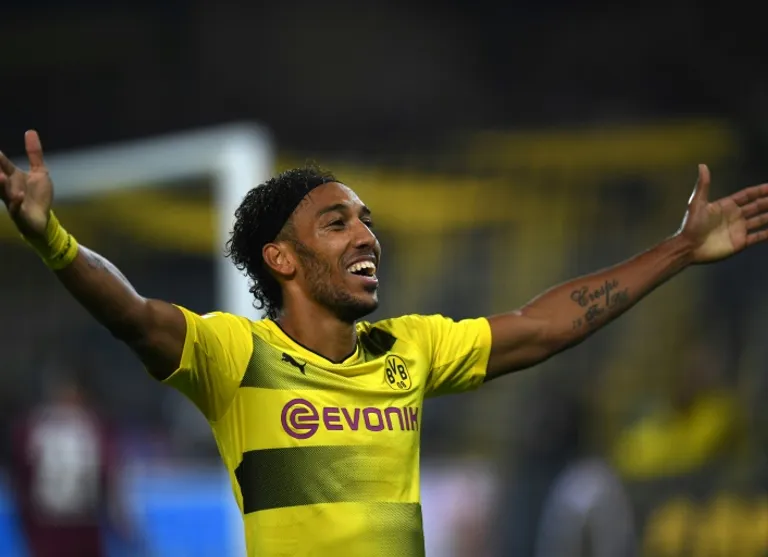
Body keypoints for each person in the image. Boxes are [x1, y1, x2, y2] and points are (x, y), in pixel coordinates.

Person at [1, 129, 766, 556]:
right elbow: (134, 314)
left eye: (367, 220)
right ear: (281, 258)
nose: (366, 235)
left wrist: (678, 250)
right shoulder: (234, 356)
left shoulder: (411, 348)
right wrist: (51, 239)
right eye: (337, 223)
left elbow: (544, 324)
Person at [9, 374, 123, 557]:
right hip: (61, 523)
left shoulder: (35, 425)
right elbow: (107, 471)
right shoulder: (92, 425)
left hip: (66, 524)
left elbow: (21, 474)